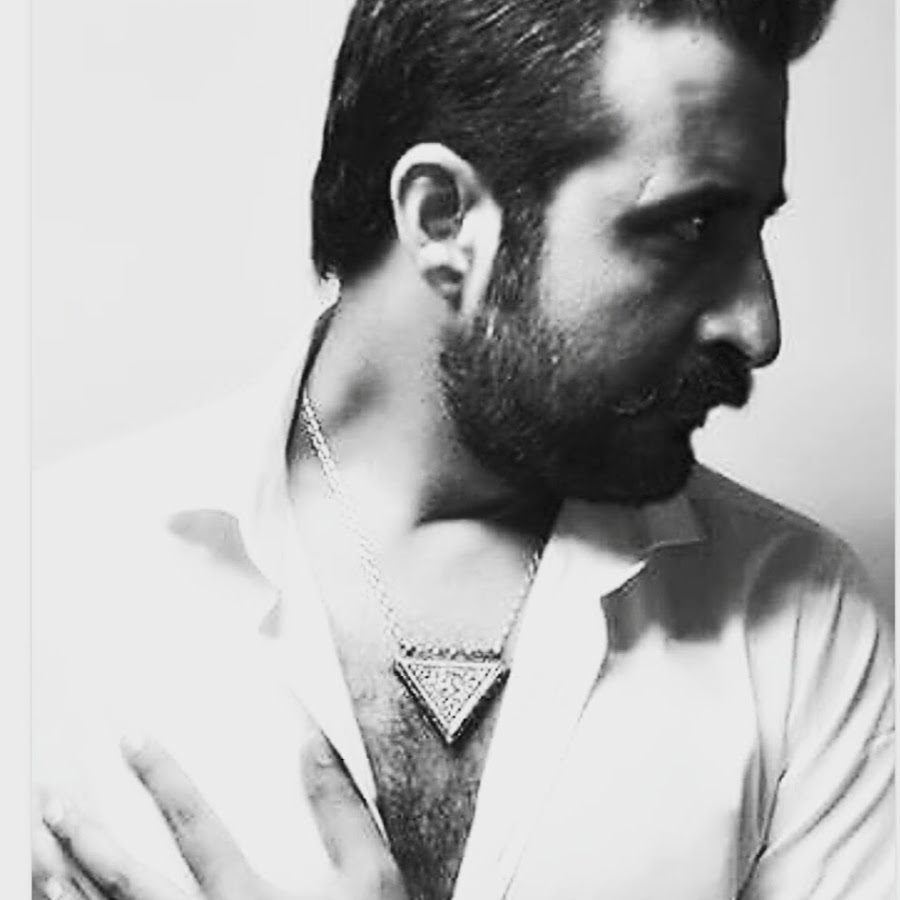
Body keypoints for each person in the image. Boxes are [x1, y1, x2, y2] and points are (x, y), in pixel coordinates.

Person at [32, 1, 894, 898]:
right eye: (692, 227)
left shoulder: (800, 619)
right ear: (444, 219)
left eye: (756, 230)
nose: (758, 327)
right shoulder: (51, 581)